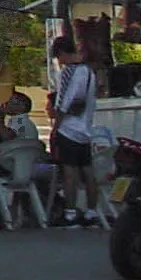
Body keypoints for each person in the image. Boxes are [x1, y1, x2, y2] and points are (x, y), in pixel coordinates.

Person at [49, 35, 102, 226]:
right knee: (88, 172)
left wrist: (56, 127)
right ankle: (91, 211)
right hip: (85, 129)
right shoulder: (89, 72)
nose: (59, 61)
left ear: (62, 53)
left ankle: (70, 213)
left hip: (68, 129)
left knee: (69, 172)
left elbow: (63, 102)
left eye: (58, 57)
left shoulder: (68, 72)